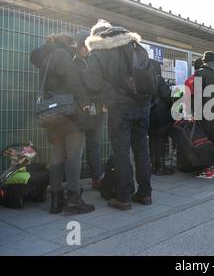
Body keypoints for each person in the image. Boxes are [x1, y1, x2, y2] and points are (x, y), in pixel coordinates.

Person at [83, 20, 153, 211]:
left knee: (121, 151)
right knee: (141, 149)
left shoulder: (99, 51)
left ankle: (124, 196)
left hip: (120, 107)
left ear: (98, 36)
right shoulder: (137, 46)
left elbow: (92, 84)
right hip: (143, 105)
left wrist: (104, 97)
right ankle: (145, 193)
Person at [30, 33, 95, 215]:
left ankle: (56, 201)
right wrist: (84, 103)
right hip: (67, 114)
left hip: (51, 115)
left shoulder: (45, 58)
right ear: (68, 44)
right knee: (73, 155)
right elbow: (72, 80)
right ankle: (73, 199)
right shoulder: (61, 54)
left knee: (57, 157)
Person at [73, 30, 105, 191]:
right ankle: (74, 184)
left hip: (96, 110)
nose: (86, 49)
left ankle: (96, 178)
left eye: (88, 46)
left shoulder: (93, 61)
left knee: (94, 145)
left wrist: (103, 103)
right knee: (76, 148)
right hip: (79, 111)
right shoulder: (73, 63)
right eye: (83, 46)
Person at [193, 51, 214, 179]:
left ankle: (206, 169)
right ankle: (211, 167)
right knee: (213, 140)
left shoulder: (200, 73)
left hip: (204, 111)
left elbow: (197, 95)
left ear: (204, 61)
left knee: (204, 141)